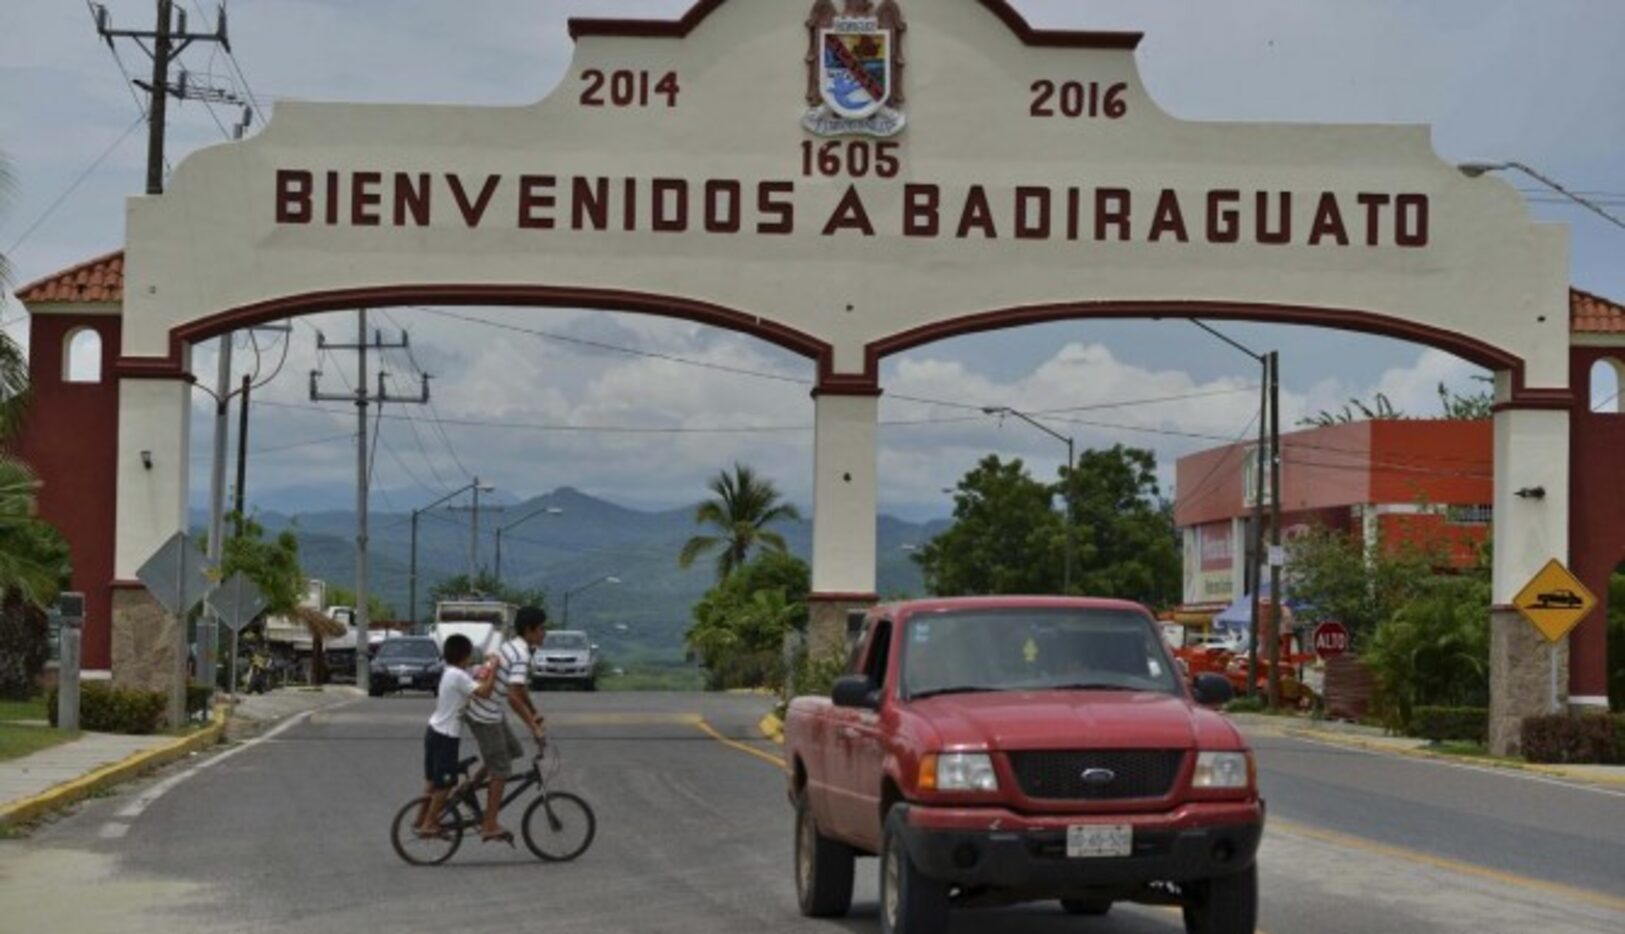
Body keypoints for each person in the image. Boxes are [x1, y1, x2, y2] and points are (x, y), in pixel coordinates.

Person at [462, 606, 550, 843]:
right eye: (542, 629)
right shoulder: (521, 654)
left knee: (512, 750)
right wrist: (534, 728)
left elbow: (520, 689)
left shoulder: (513, 646)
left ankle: (470, 787)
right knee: (501, 769)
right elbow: (512, 696)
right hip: (484, 715)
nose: (545, 633)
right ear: (529, 631)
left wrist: (534, 712)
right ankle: (489, 825)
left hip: (490, 711)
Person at [416, 634, 497, 838]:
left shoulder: (450, 672)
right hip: (446, 736)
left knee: (432, 781)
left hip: (434, 730)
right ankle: (429, 823)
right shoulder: (458, 676)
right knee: (446, 784)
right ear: (466, 655)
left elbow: (473, 682)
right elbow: (485, 692)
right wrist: (494, 668)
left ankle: (420, 818)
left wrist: (484, 670)